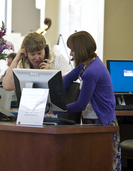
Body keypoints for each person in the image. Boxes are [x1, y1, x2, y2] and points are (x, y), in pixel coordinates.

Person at [54, 31, 120, 170]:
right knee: (93, 162)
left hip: (103, 122)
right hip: (93, 118)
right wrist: (55, 94)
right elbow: (68, 79)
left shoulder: (91, 71)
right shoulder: (87, 64)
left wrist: (57, 108)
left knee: (105, 164)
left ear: (80, 50)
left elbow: (80, 104)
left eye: (72, 50)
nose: (71, 53)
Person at [2, 32, 71, 91]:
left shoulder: (58, 58)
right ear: (26, 53)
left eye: (39, 53)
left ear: (45, 49)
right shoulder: (22, 64)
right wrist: (15, 60)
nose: (37, 58)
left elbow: (71, 82)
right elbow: (7, 87)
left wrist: (49, 74)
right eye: (32, 54)